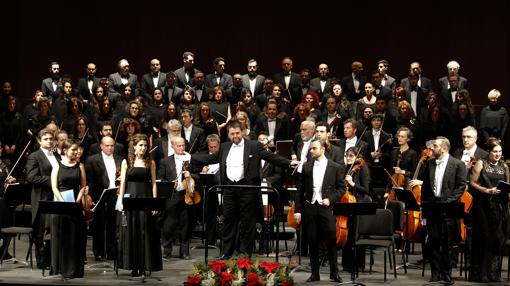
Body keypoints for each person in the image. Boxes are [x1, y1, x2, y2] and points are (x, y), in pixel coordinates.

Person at [191, 120, 299, 258]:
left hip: (247, 188)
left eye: (237, 132)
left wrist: (289, 163)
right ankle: (227, 252)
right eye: (232, 133)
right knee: (229, 221)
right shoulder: (224, 147)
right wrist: (191, 158)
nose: (235, 136)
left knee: (248, 222)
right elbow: (211, 158)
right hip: (229, 188)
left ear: (242, 132)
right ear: (228, 134)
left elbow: (271, 157)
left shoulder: (253, 146)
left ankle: (244, 253)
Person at [409, 137, 466, 284]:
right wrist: (424, 208)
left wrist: (447, 202)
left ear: (444, 148)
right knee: (433, 241)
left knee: (447, 242)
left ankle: (446, 275)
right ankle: (435, 275)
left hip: (448, 205)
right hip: (433, 205)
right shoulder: (430, 163)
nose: (431, 149)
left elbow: (460, 187)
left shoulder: (458, 164)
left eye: (435, 146)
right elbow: (426, 188)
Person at [293, 139, 344, 283]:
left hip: (326, 207)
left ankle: (334, 273)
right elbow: (300, 190)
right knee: (312, 241)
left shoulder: (335, 167)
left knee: (331, 241)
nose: (311, 151)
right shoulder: (307, 167)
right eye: (310, 149)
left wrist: (331, 199)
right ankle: (315, 273)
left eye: (314, 148)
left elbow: (342, 188)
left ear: (323, 149)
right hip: (310, 206)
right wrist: (298, 210)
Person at [117, 134, 162, 277]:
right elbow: (123, 183)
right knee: (131, 231)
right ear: (134, 146)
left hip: (145, 199)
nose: (143, 148)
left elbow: (154, 184)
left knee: (145, 232)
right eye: (141, 145)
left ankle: (144, 265)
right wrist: (120, 201)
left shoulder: (151, 163)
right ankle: (133, 265)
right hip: (130, 199)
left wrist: (155, 203)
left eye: (145, 145)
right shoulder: (127, 162)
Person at [469, 138, 509, 282]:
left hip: (499, 207)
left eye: (500, 151)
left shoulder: (504, 166)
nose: (498, 154)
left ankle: (493, 272)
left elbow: (507, 184)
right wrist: (487, 190)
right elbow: (472, 183)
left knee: (496, 238)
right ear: (489, 152)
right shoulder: (481, 163)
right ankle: (481, 272)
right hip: (483, 206)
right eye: (495, 152)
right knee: (484, 237)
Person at [49, 139, 87, 278]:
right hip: (61, 204)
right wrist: (63, 202)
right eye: (73, 150)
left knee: (75, 237)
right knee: (62, 237)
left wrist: (76, 201)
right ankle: (61, 268)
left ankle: (74, 269)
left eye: (77, 150)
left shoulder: (80, 166)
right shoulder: (57, 166)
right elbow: (54, 187)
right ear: (65, 151)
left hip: (75, 204)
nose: (77, 152)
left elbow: (83, 186)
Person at [26, 128, 60, 269]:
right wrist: (52, 180)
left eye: (51, 139)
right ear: (39, 140)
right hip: (43, 196)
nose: (49, 141)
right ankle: (42, 261)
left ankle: (54, 259)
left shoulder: (57, 155)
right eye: (45, 139)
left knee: (54, 229)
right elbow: (32, 177)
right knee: (41, 229)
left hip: (56, 195)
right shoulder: (35, 156)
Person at [85, 136, 123, 261]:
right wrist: (92, 199)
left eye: (112, 145)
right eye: (107, 145)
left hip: (115, 195)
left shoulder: (120, 159)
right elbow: (90, 181)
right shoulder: (92, 160)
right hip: (99, 196)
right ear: (101, 146)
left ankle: (112, 251)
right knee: (98, 225)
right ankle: (99, 251)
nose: (110, 147)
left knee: (113, 224)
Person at [157, 136, 196, 259]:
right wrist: (169, 184)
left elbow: (197, 175)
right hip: (172, 195)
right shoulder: (165, 161)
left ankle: (184, 252)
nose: (181, 147)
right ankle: (167, 250)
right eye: (178, 145)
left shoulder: (190, 159)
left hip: (187, 194)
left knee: (185, 224)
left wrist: (190, 176)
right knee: (169, 224)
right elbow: (160, 179)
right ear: (172, 146)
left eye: (183, 145)